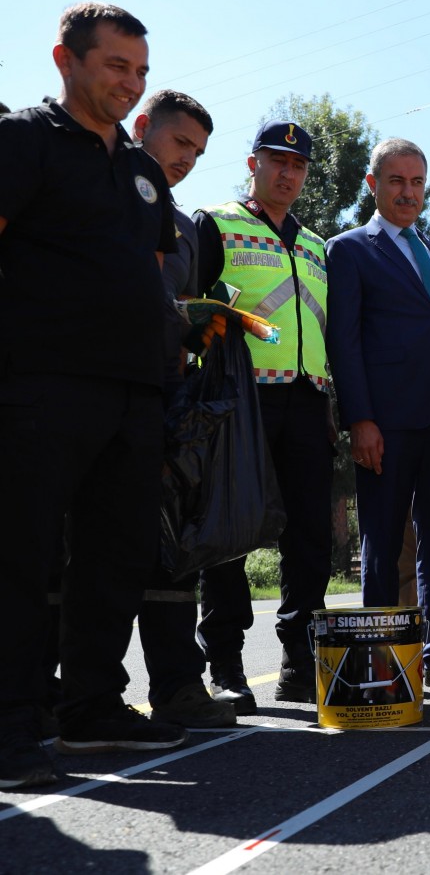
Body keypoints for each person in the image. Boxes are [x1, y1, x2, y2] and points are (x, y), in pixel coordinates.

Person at [0, 2, 186, 788]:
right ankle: (10, 725)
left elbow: (150, 276)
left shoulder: (143, 170)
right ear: (65, 59)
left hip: (135, 393)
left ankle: (91, 707)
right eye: (117, 65)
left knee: (113, 558)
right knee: (20, 555)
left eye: (140, 70)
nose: (131, 82)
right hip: (41, 382)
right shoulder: (22, 140)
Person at [326, 137, 430, 692]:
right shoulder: (349, 250)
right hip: (383, 425)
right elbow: (344, 343)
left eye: (417, 182)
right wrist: (360, 419)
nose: (408, 192)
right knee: (383, 541)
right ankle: (379, 659)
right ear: (373, 184)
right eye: (396, 181)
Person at [195, 119, 333, 709]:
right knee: (230, 529)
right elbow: (192, 309)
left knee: (310, 535)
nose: (288, 173)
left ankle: (300, 661)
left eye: (298, 165)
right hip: (240, 398)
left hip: (307, 400)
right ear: (253, 163)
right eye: (277, 161)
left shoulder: (315, 245)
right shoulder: (216, 223)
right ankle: (225, 663)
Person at [130, 89, 236, 728]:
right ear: (143, 127)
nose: (188, 160)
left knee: (172, 549)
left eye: (198, 152)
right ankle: (61, 692)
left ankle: (176, 686)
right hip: (93, 392)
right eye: (179, 144)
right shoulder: (102, 195)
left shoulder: (190, 227)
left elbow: (188, 307)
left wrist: (203, 327)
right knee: (83, 551)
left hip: (168, 408)